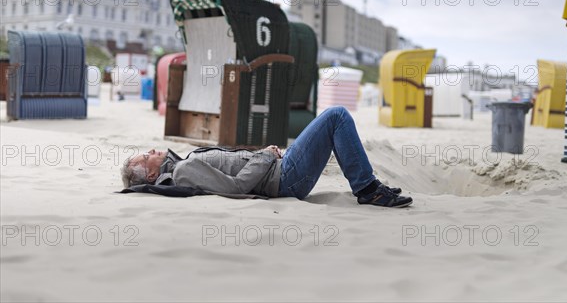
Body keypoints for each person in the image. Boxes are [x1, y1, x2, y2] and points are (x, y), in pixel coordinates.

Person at [121, 106, 412, 208]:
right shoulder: (184, 170)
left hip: (281, 170)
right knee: (336, 116)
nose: (152, 150)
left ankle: (368, 186)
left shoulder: (185, 162)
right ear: (150, 175)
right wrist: (265, 155)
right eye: (146, 156)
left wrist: (265, 155)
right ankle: (368, 189)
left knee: (333, 120)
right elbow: (235, 188)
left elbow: (233, 171)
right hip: (284, 179)